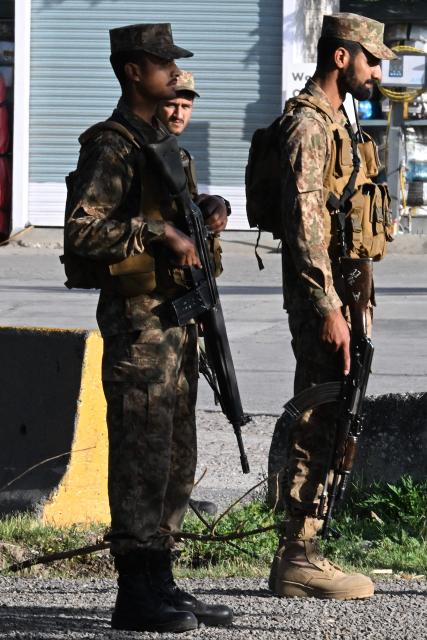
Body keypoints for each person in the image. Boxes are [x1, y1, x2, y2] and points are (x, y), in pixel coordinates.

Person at [63, 23, 232, 633]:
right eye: (162, 62)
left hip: (177, 324)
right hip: (139, 328)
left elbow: (176, 215)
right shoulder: (112, 146)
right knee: (140, 452)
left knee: (174, 455)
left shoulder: (163, 144)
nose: (172, 71)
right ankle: (134, 593)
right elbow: (82, 231)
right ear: (133, 71)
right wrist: (159, 234)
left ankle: (162, 580)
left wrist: (209, 210)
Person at [269, 13, 395, 600]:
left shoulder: (340, 122)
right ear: (340, 57)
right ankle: (297, 554)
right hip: (325, 295)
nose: (377, 72)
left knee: (340, 410)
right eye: (371, 60)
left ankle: (308, 546)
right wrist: (327, 307)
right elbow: (304, 225)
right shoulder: (308, 127)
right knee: (319, 414)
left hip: (345, 290)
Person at [158, 70, 229, 517]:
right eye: (172, 104)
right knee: (150, 430)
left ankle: (171, 530)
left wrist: (214, 210)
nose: (180, 112)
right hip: (152, 312)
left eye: (187, 105)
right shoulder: (128, 150)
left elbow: (192, 222)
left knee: (182, 424)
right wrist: (165, 234)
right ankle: (144, 549)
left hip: (184, 313)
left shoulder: (180, 157)